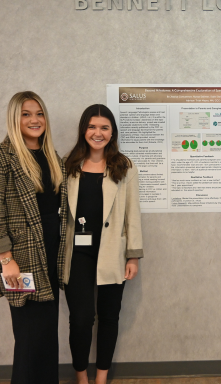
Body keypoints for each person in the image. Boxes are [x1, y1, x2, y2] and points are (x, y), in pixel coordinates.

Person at [64, 104, 143, 384]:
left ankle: (101, 378)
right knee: (82, 320)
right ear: (84, 130)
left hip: (113, 254)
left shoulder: (124, 167)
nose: (98, 133)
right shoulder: (67, 166)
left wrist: (132, 256)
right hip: (77, 256)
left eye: (104, 127)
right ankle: (81, 376)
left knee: (109, 318)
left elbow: (132, 214)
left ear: (112, 132)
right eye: (92, 127)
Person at [0, 91, 67, 384]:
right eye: (26, 114)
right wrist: (5, 259)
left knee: (47, 336)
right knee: (29, 338)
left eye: (39, 113)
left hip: (52, 255)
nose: (34, 119)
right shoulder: (4, 157)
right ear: (15, 118)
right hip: (21, 259)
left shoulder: (52, 156)